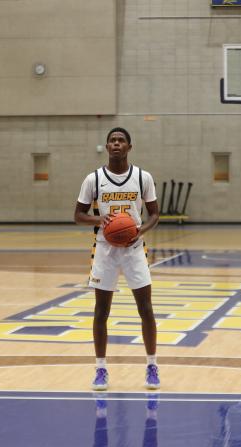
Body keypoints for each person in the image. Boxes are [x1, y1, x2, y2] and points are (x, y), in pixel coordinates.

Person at [74, 127, 160, 390]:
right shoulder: (94, 179)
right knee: (101, 311)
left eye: (121, 141)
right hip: (104, 248)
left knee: (145, 308)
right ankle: (100, 369)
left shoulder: (143, 177)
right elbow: (78, 214)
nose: (116, 144)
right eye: (112, 140)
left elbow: (155, 214)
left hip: (134, 249)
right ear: (107, 146)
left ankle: (152, 365)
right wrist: (101, 219)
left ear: (129, 147)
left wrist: (139, 231)